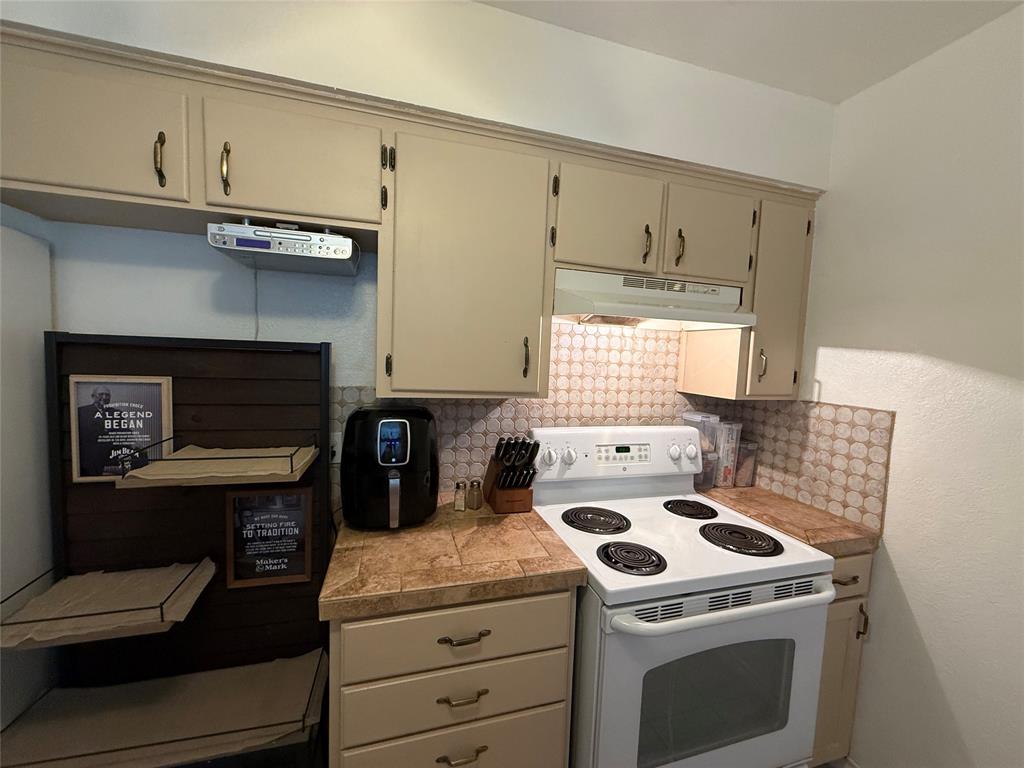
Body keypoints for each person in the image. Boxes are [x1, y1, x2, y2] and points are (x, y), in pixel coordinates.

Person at [77, 385, 112, 476]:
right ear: (93, 396)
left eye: (107, 395)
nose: (104, 397)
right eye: (101, 394)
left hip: (110, 456)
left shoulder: (116, 412)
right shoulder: (82, 411)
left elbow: (125, 431)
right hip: (89, 458)